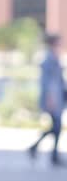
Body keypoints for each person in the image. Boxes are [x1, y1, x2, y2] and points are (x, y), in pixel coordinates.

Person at [28, 33, 65, 166]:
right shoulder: (49, 59)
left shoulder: (55, 57)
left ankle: (38, 149)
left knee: (56, 127)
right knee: (56, 127)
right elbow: (47, 82)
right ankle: (51, 155)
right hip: (53, 99)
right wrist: (50, 99)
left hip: (58, 98)